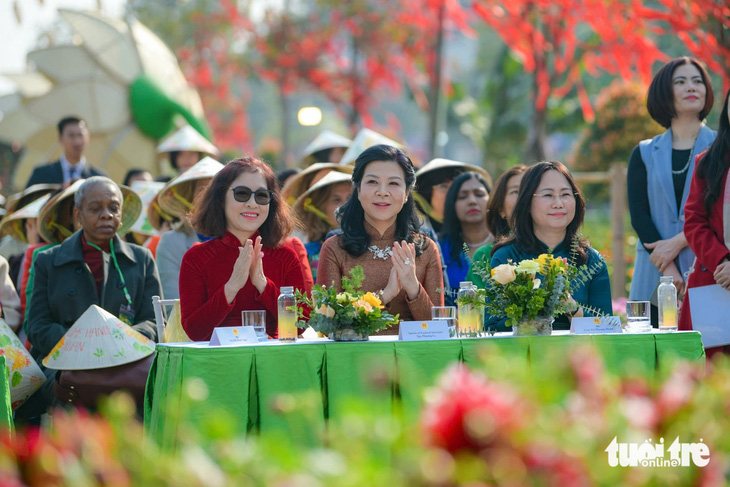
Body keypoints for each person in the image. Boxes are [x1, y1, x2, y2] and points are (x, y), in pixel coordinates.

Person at [19, 176, 160, 419]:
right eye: (95, 209)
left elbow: (155, 321)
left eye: (113, 208)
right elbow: (37, 326)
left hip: (127, 365)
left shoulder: (142, 259)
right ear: (78, 215)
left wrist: (120, 346)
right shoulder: (49, 261)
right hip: (67, 366)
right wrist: (82, 348)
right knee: (73, 406)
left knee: (138, 403)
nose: (107, 215)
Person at [179, 157, 310, 341]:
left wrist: (263, 285)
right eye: (242, 194)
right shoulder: (197, 258)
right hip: (219, 364)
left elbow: (301, 324)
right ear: (221, 198)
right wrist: (231, 288)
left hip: (273, 363)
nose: (252, 203)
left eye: (262, 196)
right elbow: (195, 332)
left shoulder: (286, 257)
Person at [317, 145, 444, 333]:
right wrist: (384, 296)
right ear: (358, 190)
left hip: (412, 359)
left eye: (393, 183)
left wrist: (413, 287)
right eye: (372, 182)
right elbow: (326, 324)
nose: (382, 192)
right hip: (355, 359)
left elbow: (438, 327)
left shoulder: (425, 248)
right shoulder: (335, 248)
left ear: (407, 193)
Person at [627, 57, 716, 325]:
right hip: (653, 267)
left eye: (697, 81)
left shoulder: (723, 148)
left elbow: (720, 210)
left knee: (706, 352)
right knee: (647, 355)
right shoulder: (643, 152)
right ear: (665, 92)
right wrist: (666, 263)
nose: (692, 87)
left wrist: (677, 243)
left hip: (706, 263)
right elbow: (639, 215)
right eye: (681, 82)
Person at [487, 161, 612, 331]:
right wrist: (529, 316)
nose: (558, 203)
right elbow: (491, 327)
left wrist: (572, 309)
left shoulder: (591, 260)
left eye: (566, 194)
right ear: (527, 203)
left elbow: (607, 328)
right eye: (548, 195)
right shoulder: (506, 258)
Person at [679, 88, 730, 355]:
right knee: (710, 375)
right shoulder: (708, 163)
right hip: (715, 280)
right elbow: (694, 222)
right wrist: (721, 261)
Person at [155, 157, 225, 299]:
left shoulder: (246, 239)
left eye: (219, 190)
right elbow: (174, 304)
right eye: (203, 190)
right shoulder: (171, 243)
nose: (212, 197)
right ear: (189, 198)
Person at [466, 165, 528, 288]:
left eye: (529, 190)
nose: (524, 197)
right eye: (515, 191)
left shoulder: (567, 251)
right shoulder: (485, 256)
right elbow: (474, 306)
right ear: (501, 209)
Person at [438, 171, 491, 304]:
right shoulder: (439, 249)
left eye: (479, 194)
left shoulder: (508, 247)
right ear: (452, 205)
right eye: (462, 197)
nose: (472, 201)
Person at [293, 171, 353, 281]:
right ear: (321, 207)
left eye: (350, 198)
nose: (346, 206)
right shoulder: (308, 254)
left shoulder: (372, 245)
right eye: (336, 200)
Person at [413, 158, 492, 235]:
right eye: (444, 186)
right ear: (428, 192)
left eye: (456, 185)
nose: (452, 191)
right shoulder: (417, 229)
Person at [25, 116, 107, 188]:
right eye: (71, 135)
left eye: (80, 135)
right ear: (60, 139)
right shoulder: (41, 175)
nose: (77, 141)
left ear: (88, 138)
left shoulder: (98, 179)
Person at [157, 125, 221, 175]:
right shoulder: (165, 181)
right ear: (174, 157)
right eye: (181, 154)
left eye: (191, 154)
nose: (186, 159)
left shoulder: (208, 180)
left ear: (199, 155)